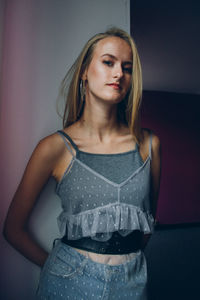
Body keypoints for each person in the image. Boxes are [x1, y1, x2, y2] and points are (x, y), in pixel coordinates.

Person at [3, 27, 161, 299]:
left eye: (127, 67)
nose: (119, 74)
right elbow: (13, 229)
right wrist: (63, 269)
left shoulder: (149, 146)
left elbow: (148, 222)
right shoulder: (54, 148)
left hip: (133, 285)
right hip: (67, 284)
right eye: (108, 62)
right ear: (85, 72)